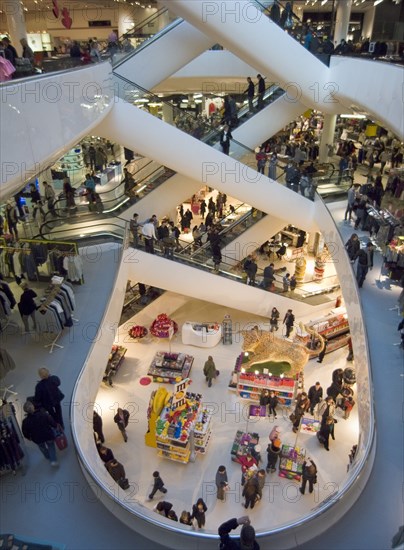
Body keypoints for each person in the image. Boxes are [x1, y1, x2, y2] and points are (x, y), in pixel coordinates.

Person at [21, 401, 59, 466]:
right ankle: (53, 460)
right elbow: (51, 421)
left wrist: (28, 437)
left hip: (37, 438)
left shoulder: (25, 421)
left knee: (42, 448)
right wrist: (55, 426)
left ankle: (47, 456)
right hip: (47, 434)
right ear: (33, 406)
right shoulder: (43, 414)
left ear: (25, 411)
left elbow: (25, 431)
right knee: (51, 446)